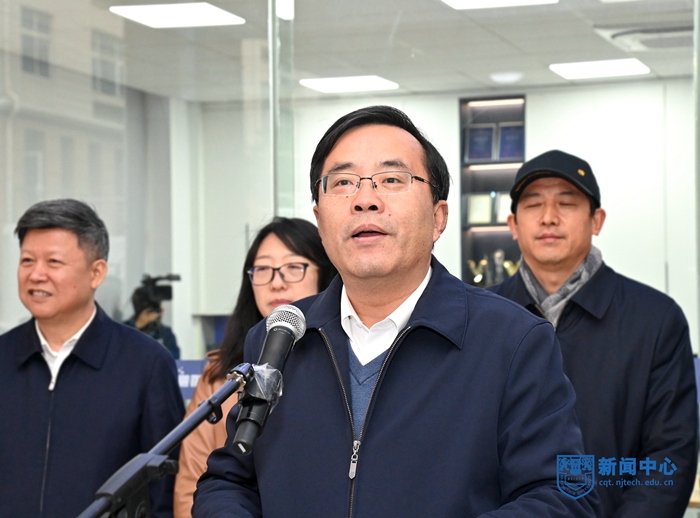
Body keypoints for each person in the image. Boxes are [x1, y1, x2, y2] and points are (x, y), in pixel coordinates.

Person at [192, 106, 600, 517]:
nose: (365, 200)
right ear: (319, 220)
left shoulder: (513, 339)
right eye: (343, 182)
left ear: (438, 218)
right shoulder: (279, 338)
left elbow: (566, 495)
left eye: (391, 180)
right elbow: (230, 480)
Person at [490, 149, 698, 517]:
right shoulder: (482, 318)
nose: (549, 217)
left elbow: (670, 457)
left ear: (596, 220)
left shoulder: (656, 319)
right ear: (513, 225)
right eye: (534, 204)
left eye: (566, 203)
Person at [0, 199, 185, 518]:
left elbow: (165, 490)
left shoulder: (146, 364)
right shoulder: (4, 357)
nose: (36, 274)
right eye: (27, 260)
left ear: (96, 272)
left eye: (53, 262)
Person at [173, 217, 337, 518]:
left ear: (325, 273)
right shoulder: (218, 377)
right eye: (262, 269)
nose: (276, 282)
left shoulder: (342, 365)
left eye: (293, 267)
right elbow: (191, 486)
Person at [124, 286, 181, 359]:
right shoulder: (124, 330)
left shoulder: (165, 332)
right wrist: (137, 327)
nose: (162, 308)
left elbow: (174, 358)